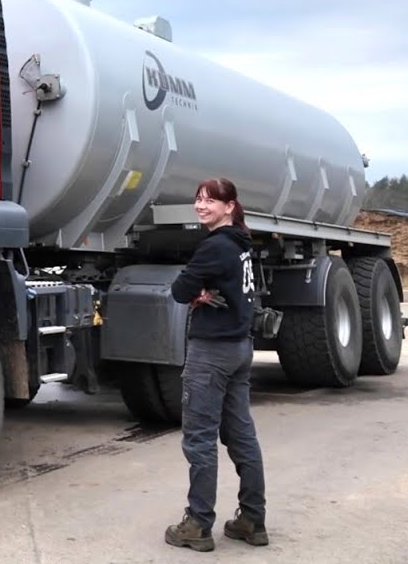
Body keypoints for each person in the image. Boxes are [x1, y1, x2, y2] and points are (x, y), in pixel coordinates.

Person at [163, 177, 268, 552]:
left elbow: (178, 291)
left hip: (211, 352)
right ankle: (252, 519)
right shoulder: (241, 245)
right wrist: (204, 292)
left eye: (211, 200)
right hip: (240, 347)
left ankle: (198, 524)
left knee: (200, 439)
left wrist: (197, 293)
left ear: (230, 206)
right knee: (242, 436)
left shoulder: (214, 247)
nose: (201, 205)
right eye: (198, 198)